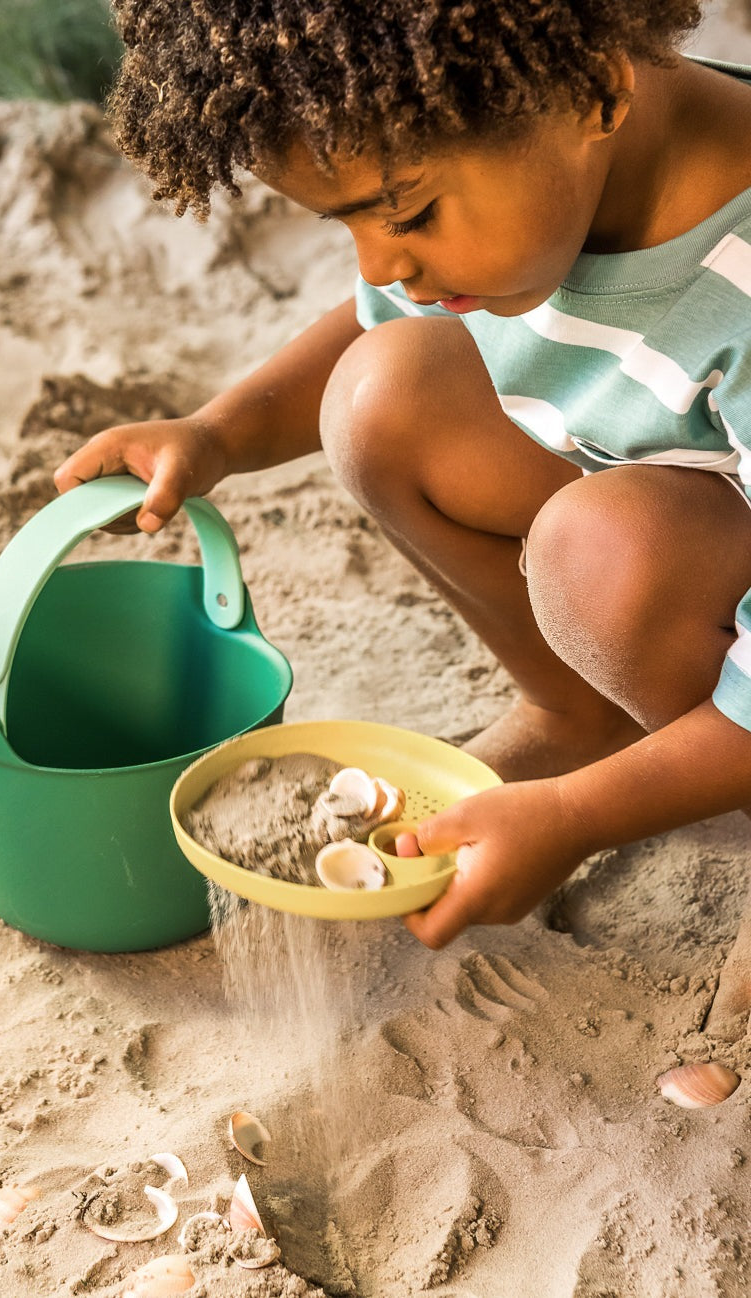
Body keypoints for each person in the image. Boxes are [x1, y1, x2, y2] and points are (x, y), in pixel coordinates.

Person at [53, 0, 751, 1028]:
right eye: (350, 224)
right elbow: (380, 325)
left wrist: (569, 820)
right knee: (385, 394)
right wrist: (218, 434)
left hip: (674, 568)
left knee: (603, 553)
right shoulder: (524, 166)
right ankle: (579, 717)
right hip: (687, 518)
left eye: (409, 213)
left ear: (595, 89)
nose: (381, 263)